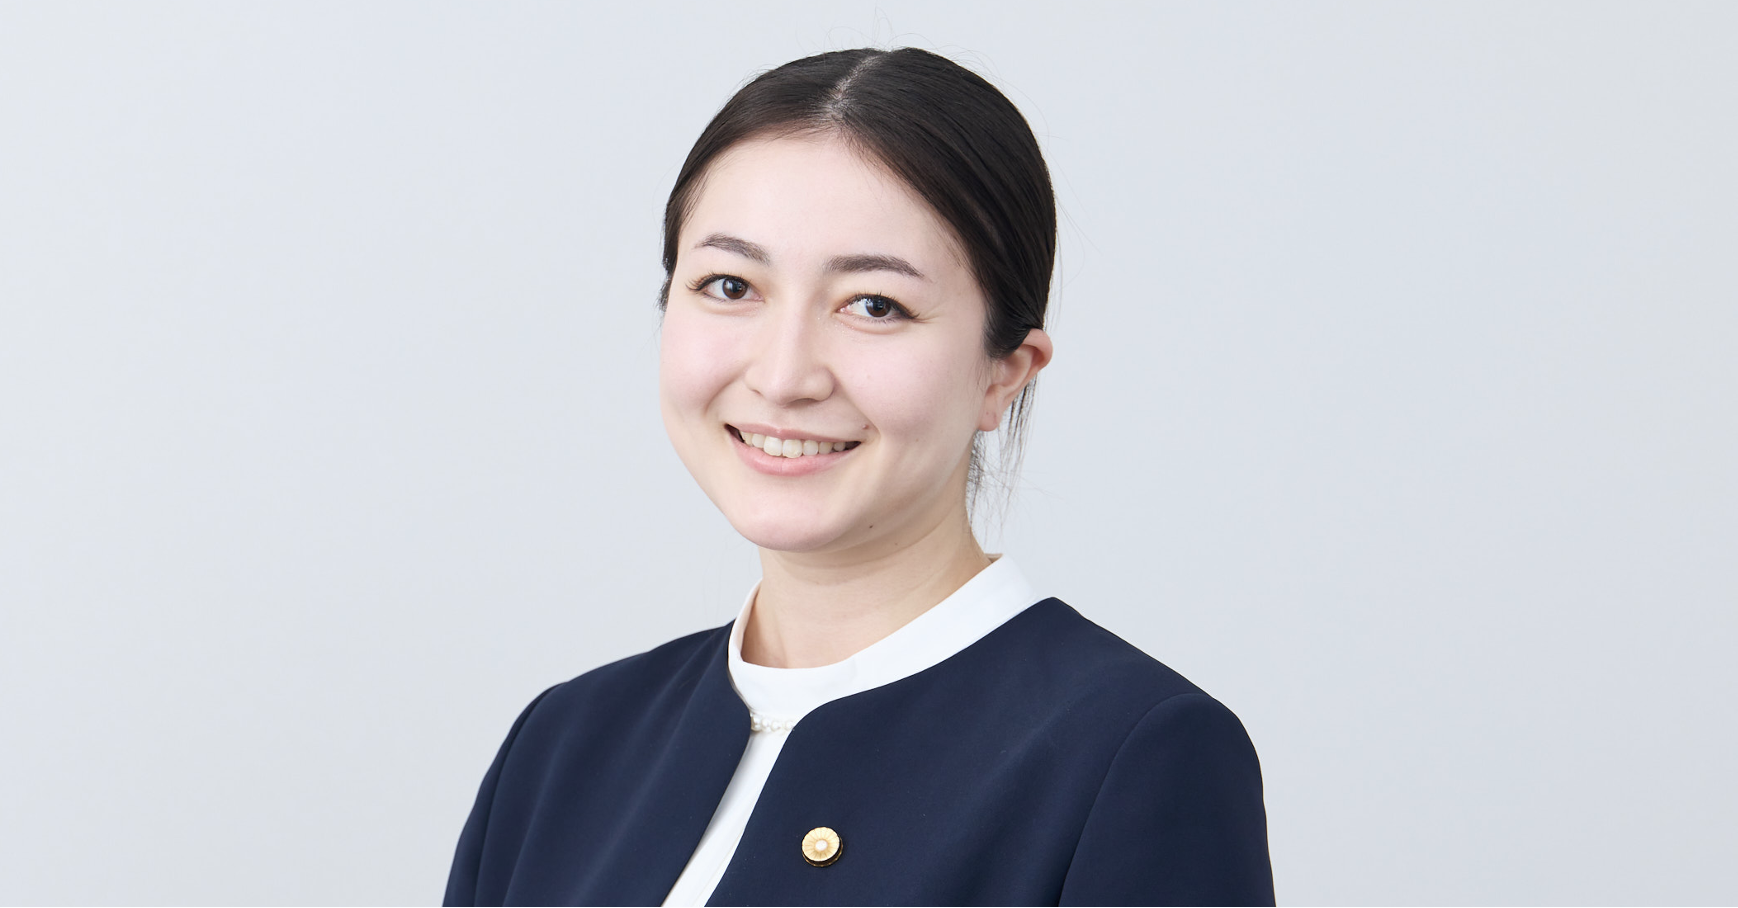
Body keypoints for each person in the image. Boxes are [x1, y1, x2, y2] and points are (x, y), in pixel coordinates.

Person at [444, 47, 1274, 907]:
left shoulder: (1135, 757)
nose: (784, 375)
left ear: (1005, 372)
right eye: (729, 285)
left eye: (875, 305)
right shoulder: (565, 747)